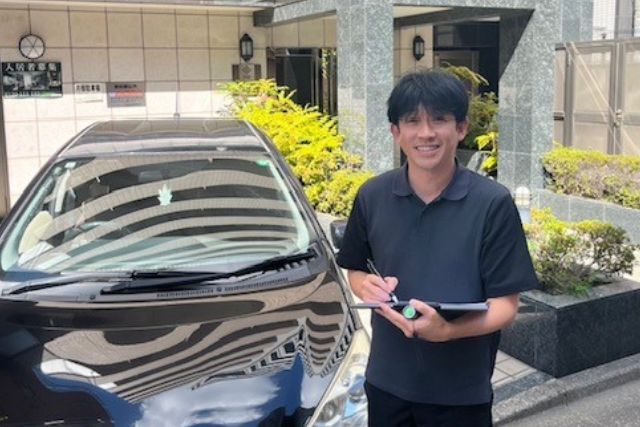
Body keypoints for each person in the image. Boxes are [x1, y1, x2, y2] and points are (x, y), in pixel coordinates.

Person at [336, 70, 539, 427]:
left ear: (461, 128)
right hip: (386, 383)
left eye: (440, 119)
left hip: (461, 393)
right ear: (395, 132)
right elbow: (356, 270)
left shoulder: (492, 203)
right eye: (412, 121)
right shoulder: (372, 196)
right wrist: (365, 284)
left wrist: (447, 332)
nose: (426, 133)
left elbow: (506, 307)